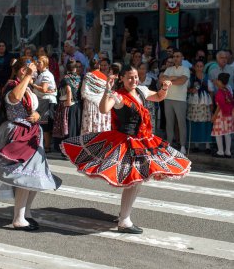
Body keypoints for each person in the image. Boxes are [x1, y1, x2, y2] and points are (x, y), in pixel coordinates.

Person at [61, 65, 191, 234]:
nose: (134, 80)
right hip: (126, 142)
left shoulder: (142, 91)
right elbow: (103, 109)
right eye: (130, 77)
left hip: (144, 140)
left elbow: (159, 97)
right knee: (134, 181)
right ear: (121, 78)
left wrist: (165, 88)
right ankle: (124, 220)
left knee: (137, 181)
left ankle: (124, 215)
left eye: (135, 77)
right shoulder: (118, 96)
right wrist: (107, 91)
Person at [0, 57, 61, 231]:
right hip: (18, 133)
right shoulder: (12, 85)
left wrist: (37, 115)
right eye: (27, 69)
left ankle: (26, 213)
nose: (32, 73)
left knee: (35, 176)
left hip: (32, 133)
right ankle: (18, 218)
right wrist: (28, 76)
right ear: (20, 70)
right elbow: (15, 98)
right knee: (24, 176)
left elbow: (34, 106)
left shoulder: (29, 87)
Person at [160, 50, 190, 154]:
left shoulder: (186, 69)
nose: (176, 58)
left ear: (182, 58)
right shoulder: (169, 69)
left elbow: (182, 81)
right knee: (169, 123)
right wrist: (174, 78)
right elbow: (161, 80)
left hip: (180, 99)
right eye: (174, 56)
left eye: (178, 56)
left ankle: (182, 145)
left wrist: (169, 80)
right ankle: (169, 143)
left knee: (181, 123)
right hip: (168, 98)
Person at [187, 60, 214, 153]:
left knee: (206, 123)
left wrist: (211, 104)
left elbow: (211, 91)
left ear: (203, 67)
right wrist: (191, 90)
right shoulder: (191, 78)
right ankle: (195, 145)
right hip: (194, 103)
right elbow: (187, 89)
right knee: (194, 122)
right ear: (195, 67)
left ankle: (207, 146)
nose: (199, 68)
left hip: (205, 102)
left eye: (201, 66)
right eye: (197, 66)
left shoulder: (207, 77)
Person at [53, 59, 82, 146]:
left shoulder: (66, 79)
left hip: (67, 104)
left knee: (66, 128)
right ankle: (74, 146)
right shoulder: (79, 78)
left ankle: (66, 147)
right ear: (75, 68)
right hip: (77, 105)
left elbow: (68, 89)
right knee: (75, 127)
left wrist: (68, 101)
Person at [32, 56, 57, 152]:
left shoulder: (46, 74)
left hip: (47, 101)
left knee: (45, 124)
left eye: (40, 63)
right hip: (42, 100)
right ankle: (44, 144)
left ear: (45, 64)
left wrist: (33, 84)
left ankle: (47, 146)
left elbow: (44, 89)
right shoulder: (41, 74)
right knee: (42, 123)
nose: (38, 64)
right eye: (37, 62)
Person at [81, 59, 111, 134]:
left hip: (90, 105)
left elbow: (84, 92)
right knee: (101, 125)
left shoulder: (88, 76)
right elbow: (108, 91)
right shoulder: (105, 77)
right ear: (99, 66)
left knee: (89, 126)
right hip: (102, 104)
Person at [211, 73, 234, 158]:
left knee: (218, 133)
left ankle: (220, 151)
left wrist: (214, 116)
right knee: (227, 133)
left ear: (220, 81)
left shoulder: (220, 92)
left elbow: (219, 106)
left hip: (220, 115)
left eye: (217, 80)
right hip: (228, 115)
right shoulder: (227, 90)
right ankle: (228, 152)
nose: (216, 81)